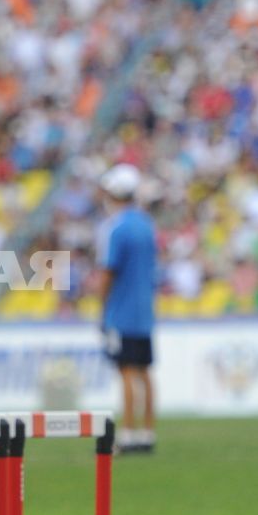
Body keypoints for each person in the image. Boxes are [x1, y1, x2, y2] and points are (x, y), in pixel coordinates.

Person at [97, 163, 156, 454]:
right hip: (145, 309)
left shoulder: (117, 228)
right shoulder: (146, 225)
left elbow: (109, 270)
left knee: (126, 372)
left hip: (122, 310)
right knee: (144, 373)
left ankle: (129, 433)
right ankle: (148, 432)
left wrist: (101, 306)